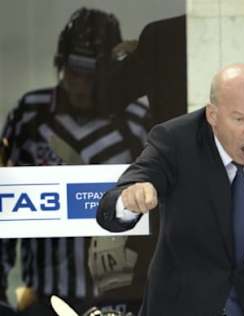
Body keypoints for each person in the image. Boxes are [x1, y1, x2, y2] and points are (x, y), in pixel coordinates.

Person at [96, 63, 244, 316]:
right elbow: (118, 201)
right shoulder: (175, 141)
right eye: (239, 119)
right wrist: (128, 200)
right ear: (212, 115)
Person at [0, 8, 153, 315]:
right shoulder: (30, 114)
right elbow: (4, 200)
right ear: (61, 64)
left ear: (109, 71)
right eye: (74, 70)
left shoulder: (137, 122)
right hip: (43, 291)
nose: (81, 84)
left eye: (91, 73)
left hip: (119, 294)